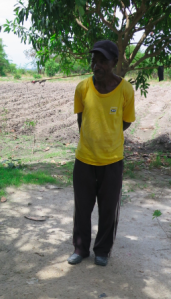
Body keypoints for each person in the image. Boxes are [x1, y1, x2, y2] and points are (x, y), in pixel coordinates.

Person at [68, 40, 135, 267]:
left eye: (103, 61)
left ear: (115, 62)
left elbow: (124, 122)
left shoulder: (126, 90)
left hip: (112, 160)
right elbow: (81, 121)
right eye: (94, 61)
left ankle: (102, 250)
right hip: (84, 159)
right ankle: (80, 248)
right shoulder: (82, 88)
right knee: (82, 207)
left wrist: (108, 136)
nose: (97, 66)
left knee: (108, 210)